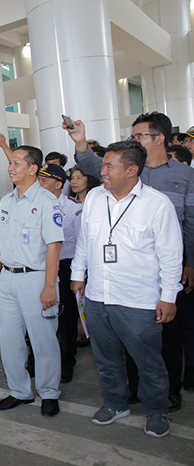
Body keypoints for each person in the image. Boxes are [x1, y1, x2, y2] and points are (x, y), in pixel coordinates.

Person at [66, 112, 194, 412]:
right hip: (101, 294)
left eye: (109, 166)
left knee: (155, 354)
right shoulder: (98, 196)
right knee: (109, 356)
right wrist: (78, 273)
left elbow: (176, 247)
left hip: (143, 294)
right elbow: (85, 240)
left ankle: (160, 406)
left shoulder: (162, 198)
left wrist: (169, 292)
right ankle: (119, 401)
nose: (103, 171)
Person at [0, 145, 63, 417]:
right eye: (10, 162)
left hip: (36, 279)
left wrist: (49, 286)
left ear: (33, 169)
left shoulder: (46, 201)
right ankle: (19, 391)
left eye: (17, 162)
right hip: (7, 279)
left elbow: (54, 246)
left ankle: (49, 392)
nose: (11, 167)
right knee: (9, 340)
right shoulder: (7, 200)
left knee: (43, 340)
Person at [38, 164, 82, 383]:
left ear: (58, 184)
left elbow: (83, 242)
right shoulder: (34, 204)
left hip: (66, 266)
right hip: (41, 265)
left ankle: (67, 361)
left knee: (66, 316)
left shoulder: (73, 208)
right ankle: (39, 358)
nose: (40, 184)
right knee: (40, 314)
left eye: (44, 181)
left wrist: (79, 275)